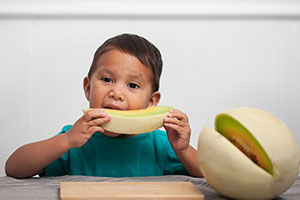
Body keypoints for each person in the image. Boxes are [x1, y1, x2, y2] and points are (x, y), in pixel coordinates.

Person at [5, 33, 202, 178]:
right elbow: (13, 168)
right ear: (88, 88)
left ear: (151, 102)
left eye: (132, 85)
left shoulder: (160, 144)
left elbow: (207, 176)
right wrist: (65, 141)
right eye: (107, 79)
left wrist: (183, 150)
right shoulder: (75, 139)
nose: (116, 93)